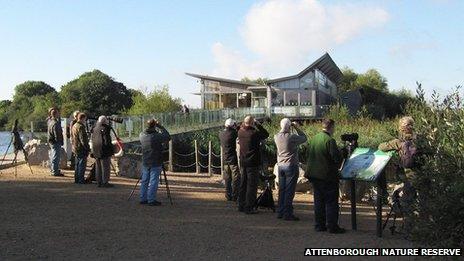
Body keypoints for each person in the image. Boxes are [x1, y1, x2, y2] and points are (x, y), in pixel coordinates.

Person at [305, 119, 345, 233]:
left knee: (319, 201)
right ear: (331, 127)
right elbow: (336, 158)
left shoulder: (314, 138)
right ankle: (332, 226)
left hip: (314, 175)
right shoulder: (330, 140)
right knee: (331, 202)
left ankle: (319, 225)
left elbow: (308, 154)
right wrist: (342, 154)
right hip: (327, 176)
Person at [378, 116, 417, 231]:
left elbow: (381, 147)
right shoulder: (419, 138)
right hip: (422, 173)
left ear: (401, 128)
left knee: (408, 202)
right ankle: (425, 229)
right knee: (424, 201)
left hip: (408, 175)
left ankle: (409, 229)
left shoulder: (399, 141)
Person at [274, 118, 307, 221]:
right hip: (291, 165)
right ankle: (288, 213)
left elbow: (282, 131)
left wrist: (287, 126)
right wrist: (296, 127)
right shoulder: (291, 137)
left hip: (281, 166)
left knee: (282, 190)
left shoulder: (276, 136)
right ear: (288, 127)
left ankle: (280, 211)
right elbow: (304, 138)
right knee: (289, 191)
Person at [237, 115, 269, 214]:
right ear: (252, 123)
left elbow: (241, 127)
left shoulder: (240, 132)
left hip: (243, 161)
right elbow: (266, 134)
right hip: (253, 162)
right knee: (252, 185)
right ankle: (249, 207)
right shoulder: (254, 133)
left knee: (243, 183)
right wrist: (258, 124)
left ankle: (241, 204)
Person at [139, 119, 171, 206]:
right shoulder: (157, 136)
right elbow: (168, 137)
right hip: (156, 160)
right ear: (154, 126)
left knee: (145, 180)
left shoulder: (141, 135)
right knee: (153, 181)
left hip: (145, 161)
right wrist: (160, 126)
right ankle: (151, 199)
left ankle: (143, 198)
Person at [219, 118, 240, 201]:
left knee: (227, 178)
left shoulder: (221, 134)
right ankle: (235, 195)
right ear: (232, 126)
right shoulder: (234, 133)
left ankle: (228, 194)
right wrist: (237, 127)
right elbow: (238, 132)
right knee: (235, 178)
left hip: (225, 159)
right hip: (232, 159)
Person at [91, 116, 114, 187]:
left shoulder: (94, 128)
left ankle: (99, 182)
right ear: (104, 121)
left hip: (96, 149)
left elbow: (92, 139)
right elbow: (107, 141)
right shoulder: (105, 128)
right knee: (105, 167)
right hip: (104, 150)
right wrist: (111, 150)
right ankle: (105, 182)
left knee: (98, 167)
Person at [71, 113, 90, 184]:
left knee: (77, 165)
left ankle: (76, 179)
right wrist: (87, 148)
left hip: (75, 147)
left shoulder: (74, 125)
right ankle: (81, 180)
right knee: (82, 165)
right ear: (82, 118)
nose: (85, 120)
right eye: (85, 119)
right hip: (81, 148)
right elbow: (83, 139)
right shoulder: (81, 127)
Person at [47, 107, 64, 177]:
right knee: (56, 157)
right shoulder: (55, 123)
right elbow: (57, 133)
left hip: (51, 141)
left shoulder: (50, 122)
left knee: (53, 156)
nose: (59, 114)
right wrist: (60, 141)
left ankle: (53, 169)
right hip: (55, 142)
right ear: (56, 114)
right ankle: (55, 171)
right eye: (58, 113)